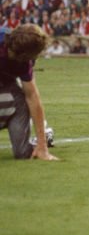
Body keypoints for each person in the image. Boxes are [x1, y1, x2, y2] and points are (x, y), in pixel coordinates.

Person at [0, 24, 58, 160]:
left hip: (8, 87)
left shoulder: (24, 61)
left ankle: (43, 136)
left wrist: (42, 147)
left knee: (23, 153)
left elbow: (32, 96)